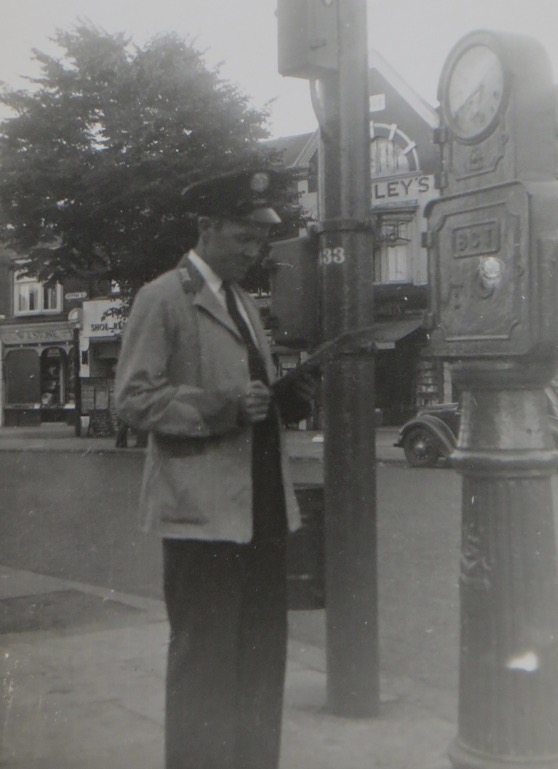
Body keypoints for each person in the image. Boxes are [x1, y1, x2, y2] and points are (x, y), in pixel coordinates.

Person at [114, 167, 316, 769]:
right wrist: (225, 409)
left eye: (261, 240)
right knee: (205, 666)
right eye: (244, 238)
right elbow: (133, 399)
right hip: (202, 519)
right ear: (205, 227)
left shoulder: (242, 305)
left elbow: (250, 389)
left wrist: (284, 396)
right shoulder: (162, 298)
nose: (255, 252)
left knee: (260, 662)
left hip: (260, 510)